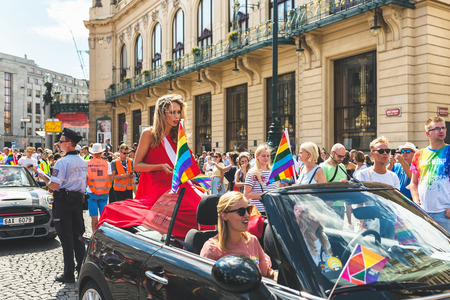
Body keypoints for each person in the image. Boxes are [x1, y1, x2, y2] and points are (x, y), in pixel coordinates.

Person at [97, 94, 213, 239]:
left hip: (182, 189)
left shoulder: (179, 136)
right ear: (161, 114)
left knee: (206, 212)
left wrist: (203, 181)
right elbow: (137, 165)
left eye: (178, 112)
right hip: (157, 191)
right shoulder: (149, 134)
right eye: (172, 112)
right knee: (111, 210)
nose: (176, 116)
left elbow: (190, 168)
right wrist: (159, 166)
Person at [38, 128, 88, 283]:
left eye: (61, 141)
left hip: (63, 202)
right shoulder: (82, 161)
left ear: (70, 144)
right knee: (78, 236)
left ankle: (68, 274)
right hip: (77, 202)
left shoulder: (62, 161)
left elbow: (54, 186)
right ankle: (81, 269)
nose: (58, 143)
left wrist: (44, 177)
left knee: (66, 238)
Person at [200, 192, 277, 280]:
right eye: (241, 212)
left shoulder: (252, 240)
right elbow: (207, 284)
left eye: (249, 210)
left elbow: (266, 272)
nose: (247, 215)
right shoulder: (212, 249)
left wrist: (276, 275)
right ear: (224, 216)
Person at [410, 117, 450, 232]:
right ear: (428, 133)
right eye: (437, 128)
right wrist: (416, 203)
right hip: (424, 214)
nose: (441, 131)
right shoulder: (419, 154)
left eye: (443, 128)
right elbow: (413, 183)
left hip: (445, 215)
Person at [294, 205, 333, 273]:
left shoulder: (323, 237)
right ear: (305, 214)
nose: (323, 212)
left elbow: (329, 264)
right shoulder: (302, 240)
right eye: (318, 208)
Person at [244, 144, 278, 214]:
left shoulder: (274, 172)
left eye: (268, 156)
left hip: (274, 209)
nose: (266, 158)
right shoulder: (252, 172)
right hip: (259, 212)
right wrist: (265, 195)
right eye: (263, 156)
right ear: (257, 157)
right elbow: (246, 194)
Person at [86, 143, 112, 231]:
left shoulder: (87, 163)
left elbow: (85, 178)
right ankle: (102, 236)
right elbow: (110, 178)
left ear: (92, 153)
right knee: (103, 218)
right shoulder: (107, 164)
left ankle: (94, 237)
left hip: (91, 192)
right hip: (104, 193)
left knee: (94, 218)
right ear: (101, 153)